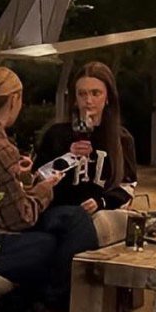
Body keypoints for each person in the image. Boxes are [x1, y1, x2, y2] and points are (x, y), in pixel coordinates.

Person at [0, 67, 97, 312]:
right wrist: (44, 190)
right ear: (14, 100)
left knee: (73, 219)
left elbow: (1, 195)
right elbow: (21, 218)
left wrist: (22, 179)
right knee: (54, 242)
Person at [35, 62, 137, 216]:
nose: (88, 100)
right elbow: (38, 179)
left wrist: (101, 202)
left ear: (107, 97)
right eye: (82, 94)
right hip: (61, 214)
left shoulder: (121, 139)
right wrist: (68, 157)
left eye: (95, 93)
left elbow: (128, 185)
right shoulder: (57, 134)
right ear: (75, 99)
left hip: (102, 215)